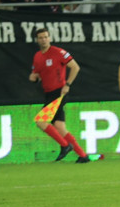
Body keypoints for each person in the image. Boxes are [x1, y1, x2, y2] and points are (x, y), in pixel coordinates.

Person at [28, 27, 89, 163]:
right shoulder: (37, 56)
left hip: (59, 92)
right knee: (60, 127)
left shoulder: (58, 52)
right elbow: (37, 73)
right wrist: (34, 77)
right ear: (37, 40)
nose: (44, 40)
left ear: (49, 38)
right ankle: (83, 156)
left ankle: (65, 145)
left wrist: (67, 85)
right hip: (48, 93)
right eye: (41, 38)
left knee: (41, 121)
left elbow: (75, 67)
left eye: (46, 37)